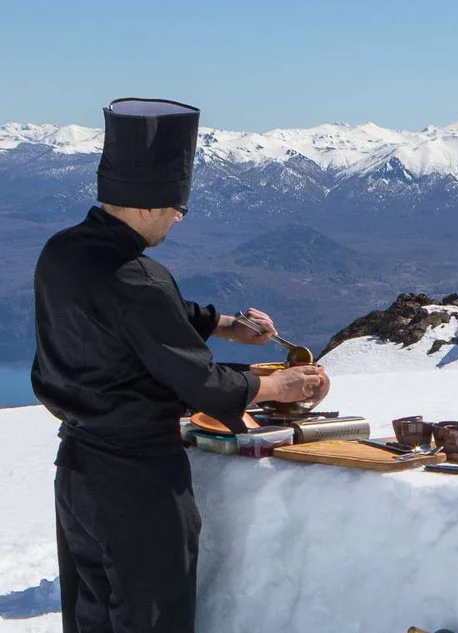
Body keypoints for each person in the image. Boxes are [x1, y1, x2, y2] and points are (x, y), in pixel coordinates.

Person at [32, 98, 329, 633]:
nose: (177, 219)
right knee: (151, 618)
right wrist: (278, 385)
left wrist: (221, 324)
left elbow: (130, 318)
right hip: (137, 477)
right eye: (177, 209)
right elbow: (202, 384)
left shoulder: (64, 251)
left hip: (77, 469)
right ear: (149, 206)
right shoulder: (139, 277)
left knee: (93, 614)